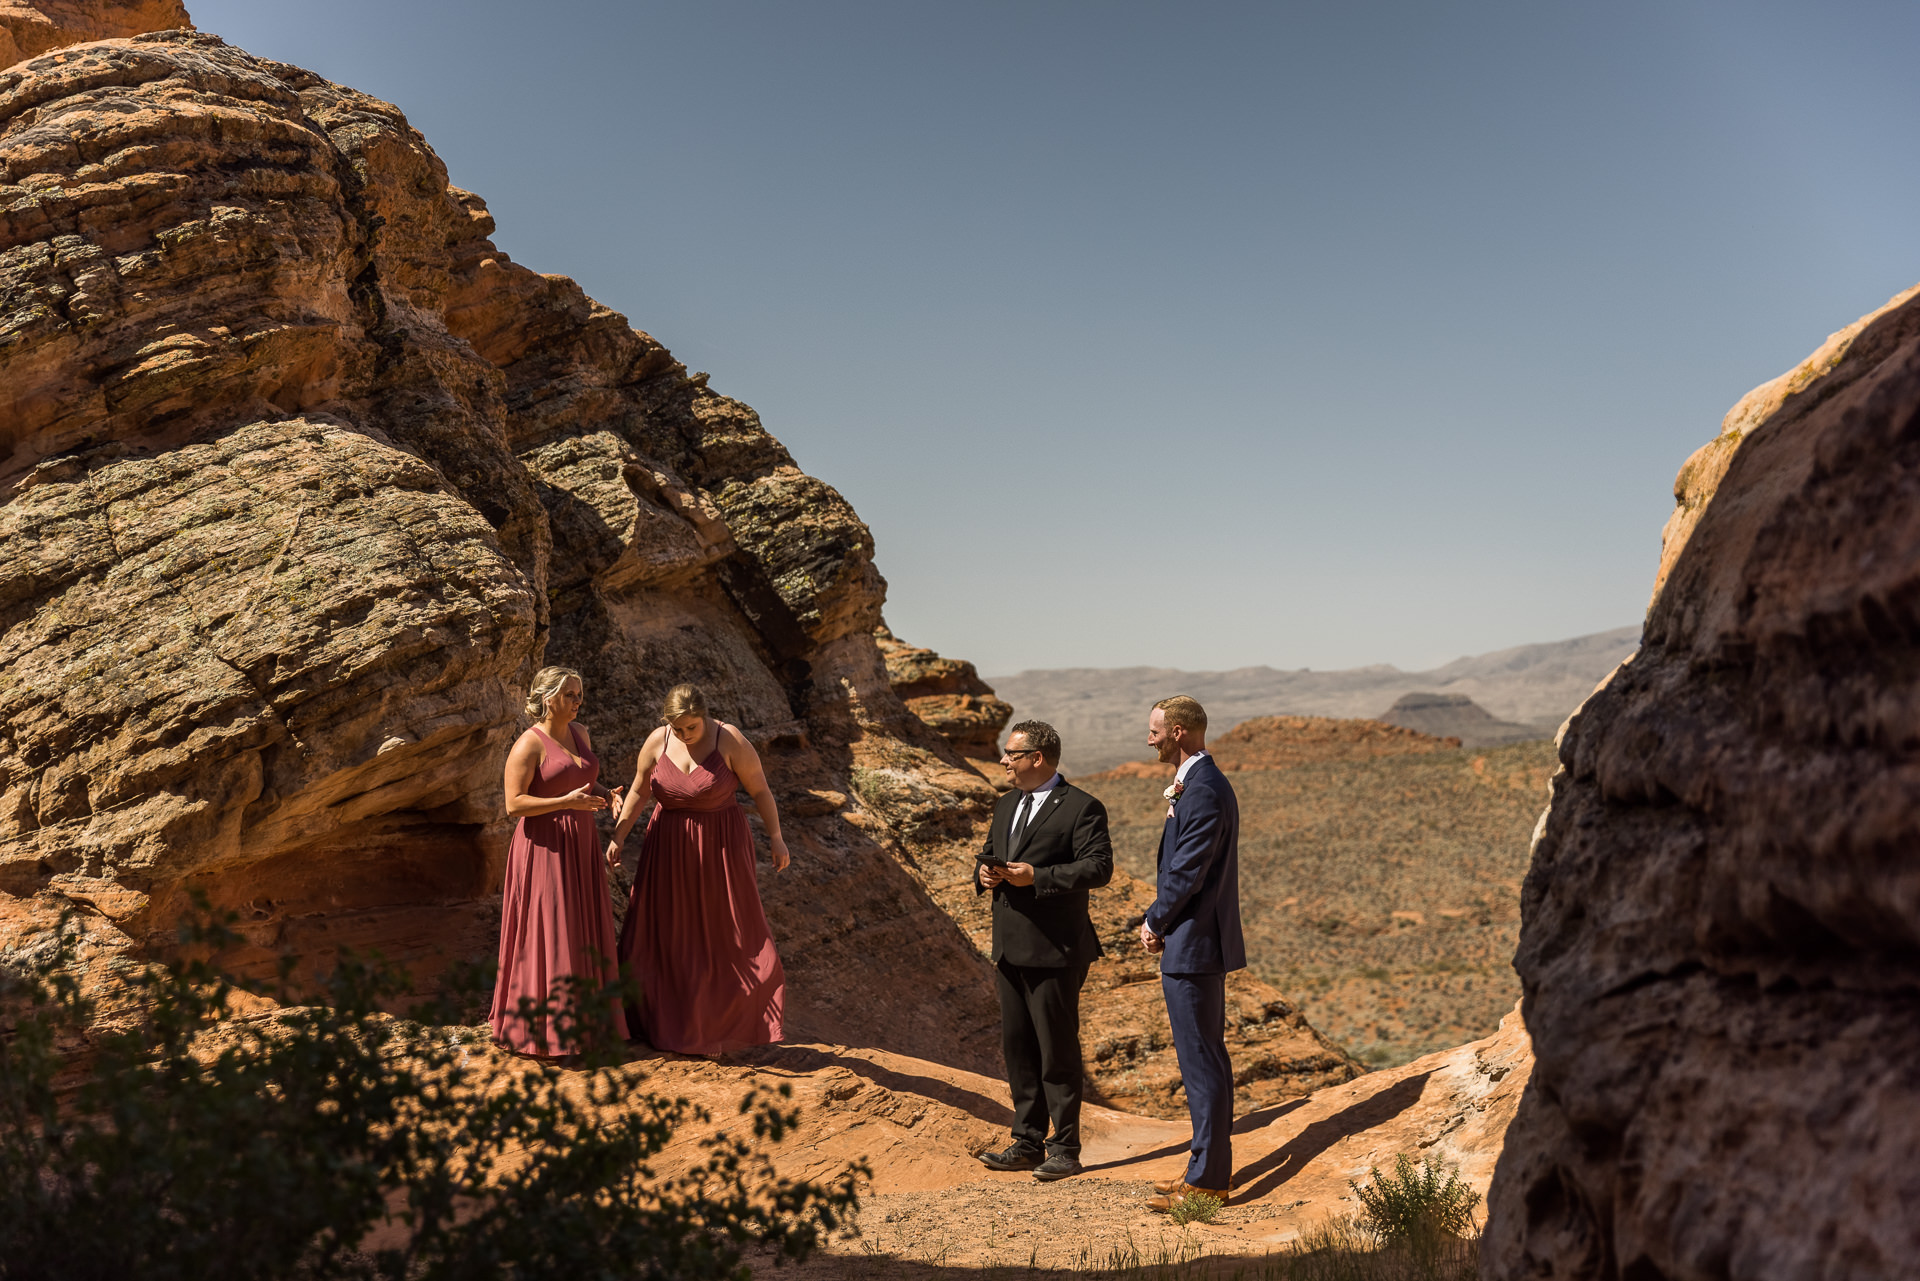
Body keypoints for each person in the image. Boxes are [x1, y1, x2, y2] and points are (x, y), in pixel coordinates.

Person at [609, 684, 790, 1055]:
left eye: (691, 727)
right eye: (678, 728)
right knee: (666, 931)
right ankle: (661, 1020)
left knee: (722, 932)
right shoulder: (657, 741)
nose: (685, 735)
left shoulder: (730, 740)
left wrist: (776, 837)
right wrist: (618, 837)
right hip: (668, 847)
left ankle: (717, 1023)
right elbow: (640, 792)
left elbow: (761, 791)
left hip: (720, 847)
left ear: (704, 716)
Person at [973, 720, 1114, 1183]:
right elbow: (989, 853)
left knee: (1057, 1051)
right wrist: (985, 875)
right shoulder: (1005, 804)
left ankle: (1066, 1148)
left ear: (1038, 757)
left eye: (1011, 754)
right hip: (1010, 947)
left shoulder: (1082, 807)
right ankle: (1027, 1141)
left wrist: (1039, 877)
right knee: (1018, 1048)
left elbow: (1098, 868)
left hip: (1057, 948)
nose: (1004, 761)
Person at [1138, 695, 1246, 1210]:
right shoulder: (1201, 783)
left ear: (1179, 731)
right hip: (1196, 941)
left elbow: (1187, 871)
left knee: (1201, 1063)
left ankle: (1206, 1184)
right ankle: (1203, 1170)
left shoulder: (1202, 789)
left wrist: (1155, 919)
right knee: (1207, 1060)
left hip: (1194, 943)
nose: (1150, 738)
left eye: (1156, 730)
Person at [489, 666, 629, 1056]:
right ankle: (547, 1031)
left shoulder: (580, 733)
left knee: (579, 927)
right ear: (547, 698)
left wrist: (607, 793)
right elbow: (514, 804)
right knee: (552, 929)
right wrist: (566, 803)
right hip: (543, 847)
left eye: (579, 694)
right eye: (569, 694)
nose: (576, 701)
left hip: (580, 841)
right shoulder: (528, 745)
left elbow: (583, 778)